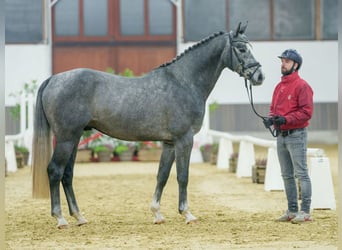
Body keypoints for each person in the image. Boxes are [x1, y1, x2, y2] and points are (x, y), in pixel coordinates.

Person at [263, 49, 314, 224]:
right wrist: (271, 120)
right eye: (282, 61)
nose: (282, 64)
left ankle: (305, 211)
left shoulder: (302, 86)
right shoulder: (280, 86)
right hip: (282, 136)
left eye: (286, 61)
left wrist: (286, 119)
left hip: (296, 135)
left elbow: (306, 113)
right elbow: (274, 108)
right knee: (286, 174)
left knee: (301, 173)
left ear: (295, 65)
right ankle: (292, 210)